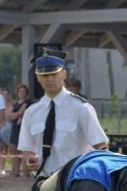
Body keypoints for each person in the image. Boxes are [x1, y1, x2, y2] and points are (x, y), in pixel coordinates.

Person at [18, 49, 108, 178]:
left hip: (75, 181)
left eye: (54, 74)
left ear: (64, 74)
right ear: (38, 77)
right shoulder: (31, 112)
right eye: (44, 75)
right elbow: (27, 149)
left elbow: (101, 145)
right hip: (43, 181)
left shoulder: (81, 107)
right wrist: (31, 160)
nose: (49, 79)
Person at [8, 84, 32, 177]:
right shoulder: (15, 103)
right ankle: (16, 171)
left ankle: (26, 172)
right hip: (15, 127)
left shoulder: (27, 102)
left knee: (25, 150)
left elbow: (20, 113)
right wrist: (15, 115)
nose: (21, 93)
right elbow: (8, 113)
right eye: (20, 91)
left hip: (24, 128)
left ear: (26, 93)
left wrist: (14, 115)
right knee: (14, 149)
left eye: (23, 91)